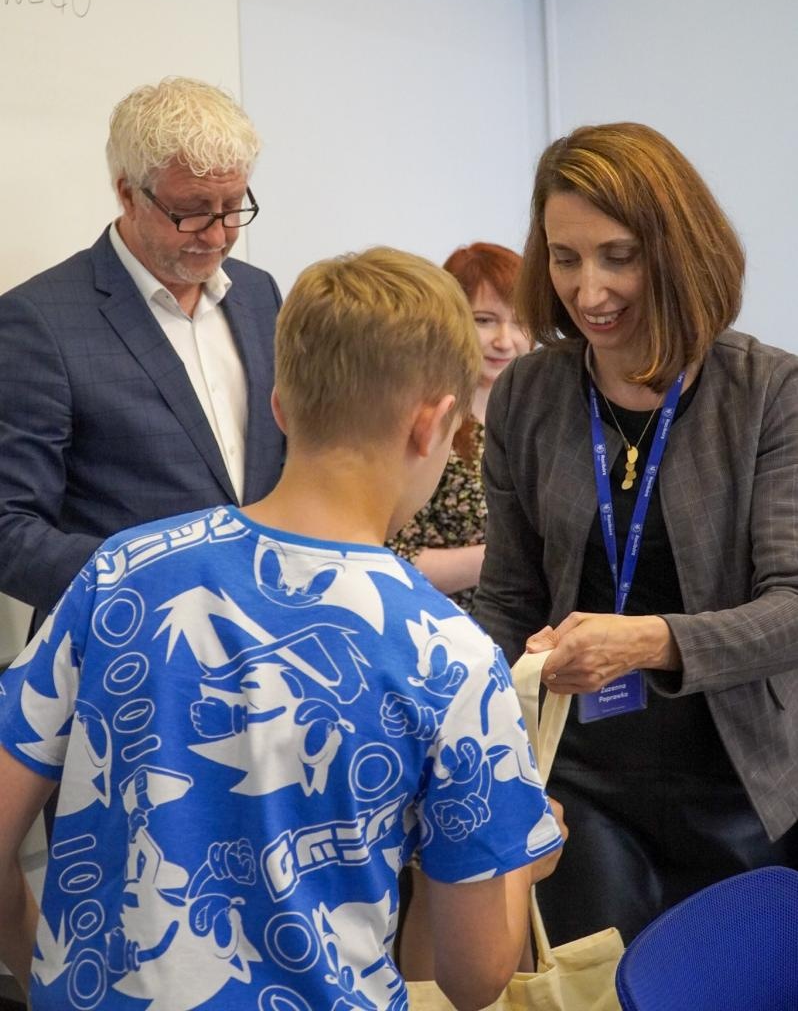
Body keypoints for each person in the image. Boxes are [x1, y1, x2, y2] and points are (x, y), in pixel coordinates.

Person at [0, 246, 564, 1011]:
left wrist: (44, 975)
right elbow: (469, 977)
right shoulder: (450, 654)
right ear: (433, 423)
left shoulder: (121, 571)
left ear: (279, 406)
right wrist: (521, 860)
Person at [473, 121, 798, 947]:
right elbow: (508, 600)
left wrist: (650, 641)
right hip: (577, 780)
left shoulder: (767, 392)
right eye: (565, 256)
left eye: (618, 256)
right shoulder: (529, 397)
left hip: (739, 786)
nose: (588, 292)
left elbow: (792, 606)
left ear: (677, 250)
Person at [0, 77, 284, 630]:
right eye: (193, 211)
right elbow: (9, 529)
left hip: (265, 639)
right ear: (127, 192)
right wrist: (160, 580)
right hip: (121, 647)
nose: (220, 234)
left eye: (233, 206)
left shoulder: (260, 294)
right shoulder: (39, 322)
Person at [390, 242, 530, 612]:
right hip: (442, 630)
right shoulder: (426, 421)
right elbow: (393, 558)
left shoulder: (538, 417)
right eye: (485, 320)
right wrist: (509, 559)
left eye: (519, 321)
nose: (505, 339)